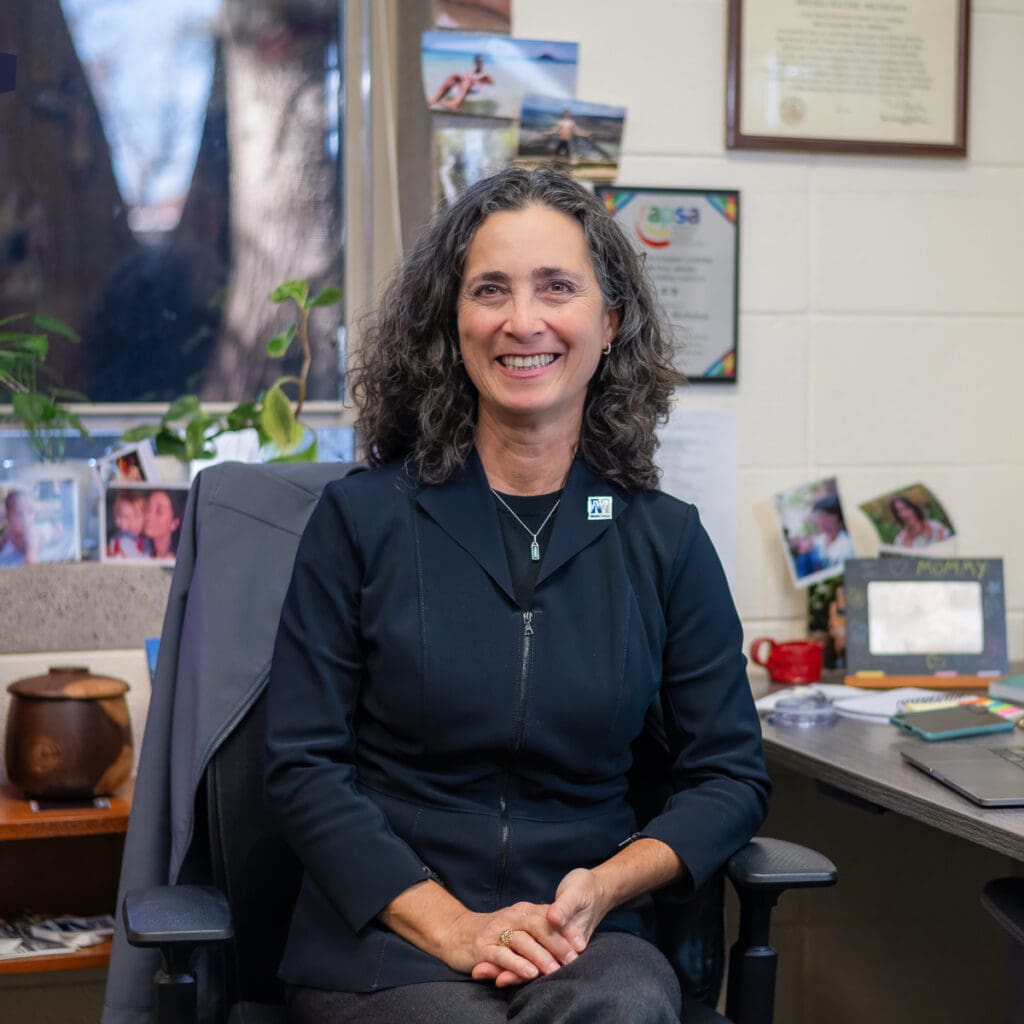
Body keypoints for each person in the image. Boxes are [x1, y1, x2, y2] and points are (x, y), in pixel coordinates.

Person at [264, 167, 770, 1023]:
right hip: (388, 935)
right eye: (489, 290)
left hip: (583, 933)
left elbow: (730, 776)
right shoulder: (362, 521)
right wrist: (455, 927)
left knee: (627, 1008)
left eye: (557, 288)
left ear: (608, 324)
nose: (522, 320)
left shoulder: (665, 539)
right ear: (451, 324)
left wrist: (607, 885)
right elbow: (303, 767)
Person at [429, 53, 494, 112]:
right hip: (465, 86)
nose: (479, 62)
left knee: (468, 80)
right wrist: (465, 79)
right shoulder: (470, 73)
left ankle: (455, 104)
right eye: (477, 61)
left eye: (480, 61)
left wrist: (480, 80)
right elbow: (465, 78)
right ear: (475, 62)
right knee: (454, 75)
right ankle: (435, 99)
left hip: (474, 91)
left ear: (482, 62)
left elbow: (491, 82)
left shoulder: (485, 74)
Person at [807, 493, 855, 571]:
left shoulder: (847, 547)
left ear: (834, 517)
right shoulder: (819, 541)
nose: (815, 521)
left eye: (819, 516)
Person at [106, 491, 154, 559]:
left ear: (144, 517)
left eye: (137, 516)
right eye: (126, 517)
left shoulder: (145, 539)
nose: (132, 522)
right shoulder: (123, 539)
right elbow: (140, 561)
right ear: (118, 520)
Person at [143, 489, 182, 561]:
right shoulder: (139, 553)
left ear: (174, 523)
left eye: (159, 511)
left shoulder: (181, 559)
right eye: (148, 508)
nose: (148, 515)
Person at [0, 489, 36, 567]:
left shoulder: (30, 537)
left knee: (55, 536)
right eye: (19, 514)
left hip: (45, 535)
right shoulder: (9, 531)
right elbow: (1, 544)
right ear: (8, 517)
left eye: (30, 511)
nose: (26, 519)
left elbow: (31, 562)